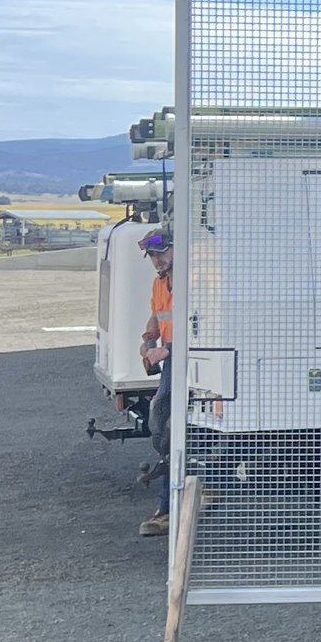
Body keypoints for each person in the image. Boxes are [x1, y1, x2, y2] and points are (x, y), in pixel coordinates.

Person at [138, 226, 173, 536]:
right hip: (173, 359)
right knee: (165, 422)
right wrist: (148, 340)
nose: (157, 260)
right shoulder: (160, 284)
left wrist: (167, 349)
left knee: (163, 414)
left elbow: (206, 323)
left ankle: (169, 507)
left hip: (189, 358)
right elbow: (156, 317)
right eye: (152, 256)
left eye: (161, 253)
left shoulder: (192, 282)